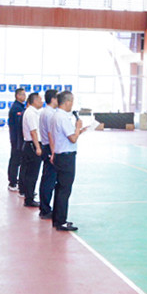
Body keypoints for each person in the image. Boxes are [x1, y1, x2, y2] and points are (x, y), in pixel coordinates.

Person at [51, 91, 86, 231]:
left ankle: (57, 219)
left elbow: (69, 135)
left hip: (60, 155)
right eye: (72, 101)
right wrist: (77, 128)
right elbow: (72, 138)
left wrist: (79, 131)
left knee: (60, 188)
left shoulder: (57, 115)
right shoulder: (63, 118)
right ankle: (61, 221)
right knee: (64, 190)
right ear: (67, 102)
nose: (72, 104)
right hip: (66, 157)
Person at [19, 92, 44, 208]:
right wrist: (38, 147)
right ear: (34, 101)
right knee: (32, 174)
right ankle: (29, 199)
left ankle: (29, 195)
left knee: (30, 173)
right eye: (40, 100)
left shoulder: (32, 112)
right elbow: (33, 131)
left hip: (31, 144)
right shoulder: (31, 113)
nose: (42, 102)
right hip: (32, 144)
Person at [37, 89, 59, 219]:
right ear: (53, 99)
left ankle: (44, 207)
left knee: (47, 178)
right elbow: (51, 135)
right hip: (49, 148)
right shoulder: (50, 114)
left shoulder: (45, 112)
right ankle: (45, 209)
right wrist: (54, 152)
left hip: (46, 147)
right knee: (49, 180)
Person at [6, 88, 27, 192]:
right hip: (17, 139)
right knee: (15, 160)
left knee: (17, 159)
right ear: (17, 96)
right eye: (22, 94)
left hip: (18, 138)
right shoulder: (16, 108)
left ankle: (15, 180)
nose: (24, 96)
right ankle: (12, 181)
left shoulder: (21, 107)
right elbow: (19, 124)